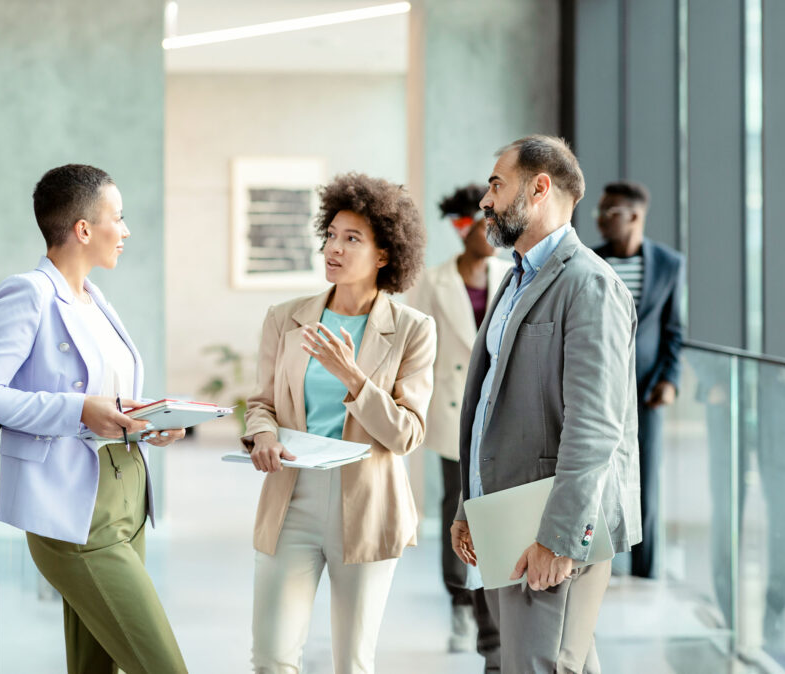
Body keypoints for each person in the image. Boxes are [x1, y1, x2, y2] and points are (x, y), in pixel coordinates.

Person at [0, 164, 188, 674]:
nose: (125, 230)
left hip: (129, 499)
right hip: (77, 511)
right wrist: (77, 410)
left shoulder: (96, 300)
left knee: (94, 668)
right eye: (118, 218)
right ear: (84, 229)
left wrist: (151, 420)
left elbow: (108, 401)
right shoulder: (28, 293)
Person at [449, 136, 642, 673]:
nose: (485, 200)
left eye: (496, 184)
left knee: (546, 664)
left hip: (547, 528)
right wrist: (469, 505)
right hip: (502, 519)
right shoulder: (514, 278)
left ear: (539, 189)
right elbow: (488, 402)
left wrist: (559, 538)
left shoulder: (589, 285)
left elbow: (596, 425)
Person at [242, 173, 437, 674]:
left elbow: (408, 433)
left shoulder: (414, 330)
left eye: (353, 239)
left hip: (369, 505)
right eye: (331, 234)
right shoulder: (285, 318)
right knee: (271, 657)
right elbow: (261, 402)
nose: (335, 248)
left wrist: (352, 377)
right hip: (292, 498)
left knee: (352, 663)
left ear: (384, 255)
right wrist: (262, 432)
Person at [403, 184, 508, 665]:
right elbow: (418, 348)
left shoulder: (511, 273)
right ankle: (460, 601)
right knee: (457, 507)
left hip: (501, 409)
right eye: (477, 225)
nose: (487, 233)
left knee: (497, 507)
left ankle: (493, 607)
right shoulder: (435, 281)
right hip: (451, 410)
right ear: (462, 230)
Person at [591, 181, 683, 579]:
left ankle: (645, 571)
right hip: (596, 389)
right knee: (594, 476)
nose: (599, 219)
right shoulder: (591, 262)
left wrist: (670, 380)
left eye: (609, 212)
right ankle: (598, 564)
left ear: (634, 216)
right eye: (600, 211)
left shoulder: (669, 264)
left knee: (645, 480)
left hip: (645, 393)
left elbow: (674, 332)